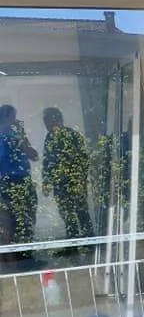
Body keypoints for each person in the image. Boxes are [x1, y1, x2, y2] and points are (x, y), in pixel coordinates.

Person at [42, 107, 93, 241]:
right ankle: (73, 240)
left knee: (81, 212)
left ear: (58, 120)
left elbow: (83, 159)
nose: (47, 124)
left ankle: (89, 241)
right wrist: (46, 181)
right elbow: (47, 161)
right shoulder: (50, 137)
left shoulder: (72, 135)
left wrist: (79, 180)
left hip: (75, 182)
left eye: (48, 121)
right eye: (45, 121)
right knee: (66, 213)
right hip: (60, 183)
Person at [0, 103, 39, 249]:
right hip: (9, 181)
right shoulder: (5, 136)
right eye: (13, 118)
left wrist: (23, 138)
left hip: (20, 180)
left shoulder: (17, 136)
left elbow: (34, 156)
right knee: (14, 220)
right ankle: (19, 256)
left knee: (23, 218)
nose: (15, 121)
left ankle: (23, 255)